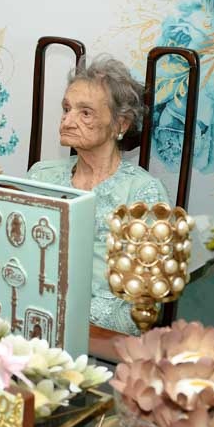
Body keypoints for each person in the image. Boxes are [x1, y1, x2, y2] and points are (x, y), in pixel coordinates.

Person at [28, 56, 170, 335]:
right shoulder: (40, 177)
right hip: (34, 324)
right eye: (66, 109)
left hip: (101, 337)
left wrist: (70, 318)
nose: (68, 120)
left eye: (85, 113)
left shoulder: (143, 194)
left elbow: (142, 305)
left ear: (120, 124)